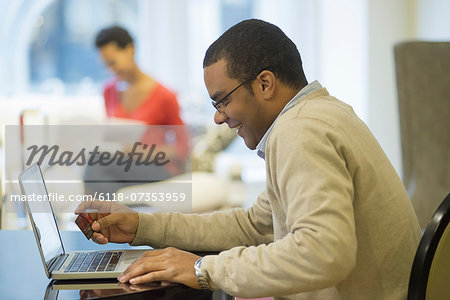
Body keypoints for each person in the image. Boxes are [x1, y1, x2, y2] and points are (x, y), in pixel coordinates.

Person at [76, 19, 421, 299]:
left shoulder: (300, 132)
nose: (218, 118)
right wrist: (143, 226)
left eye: (222, 100)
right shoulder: (317, 116)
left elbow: (323, 253)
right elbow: (255, 225)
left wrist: (201, 270)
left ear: (265, 84)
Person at [83, 26, 189, 195]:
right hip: (122, 166)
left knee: (97, 164)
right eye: (106, 66)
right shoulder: (109, 91)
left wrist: (139, 152)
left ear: (130, 50)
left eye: (113, 63)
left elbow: (183, 148)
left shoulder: (164, 95)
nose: (111, 70)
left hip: (158, 168)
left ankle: (107, 215)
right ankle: (121, 214)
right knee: (98, 166)